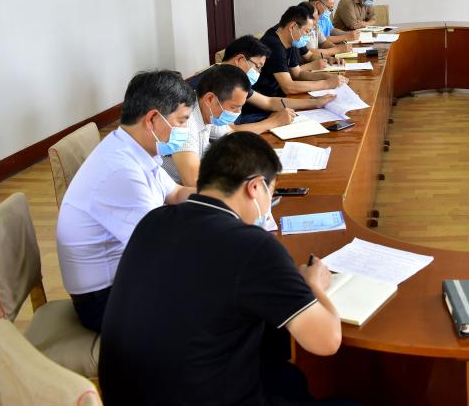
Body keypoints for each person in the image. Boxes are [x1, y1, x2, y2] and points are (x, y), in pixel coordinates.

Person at [99, 132, 348, 406]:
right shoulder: (254, 246)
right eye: (271, 192)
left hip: (123, 397)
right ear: (255, 187)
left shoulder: (153, 220)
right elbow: (327, 341)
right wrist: (313, 285)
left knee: (285, 375)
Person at [56, 70, 196, 331]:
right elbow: (162, 250)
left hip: (126, 275)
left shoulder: (130, 146)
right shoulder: (121, 171)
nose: (185, 131)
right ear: (152, 119)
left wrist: (223, 196)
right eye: (181, 121)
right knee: (216, 295)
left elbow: (176, 193)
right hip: (104, 301)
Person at [192, 35, 333, 130]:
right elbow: (232, 130)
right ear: (240, 60)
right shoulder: (217, 81)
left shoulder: (234, 78)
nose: (258, 73)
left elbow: (268, 102)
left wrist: (315, 103)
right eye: (257, 67)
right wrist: (274, 122)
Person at [162, 64, 250, 187]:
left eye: (240, 107)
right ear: (210, 99)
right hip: (169, 191)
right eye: (234, 107)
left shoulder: (207, 110)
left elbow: (232, 136)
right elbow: (194, 182)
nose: (238, 113)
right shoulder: (185, 120)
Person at [255, 6, 347, 98]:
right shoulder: (274, 45)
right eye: (307, 31)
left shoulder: (290, 40)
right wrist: (327, 84)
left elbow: (297, 73)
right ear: (292, 27)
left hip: (278, 94)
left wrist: (329, 77)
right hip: (266, 97)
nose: (307, 36)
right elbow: (288, 87)